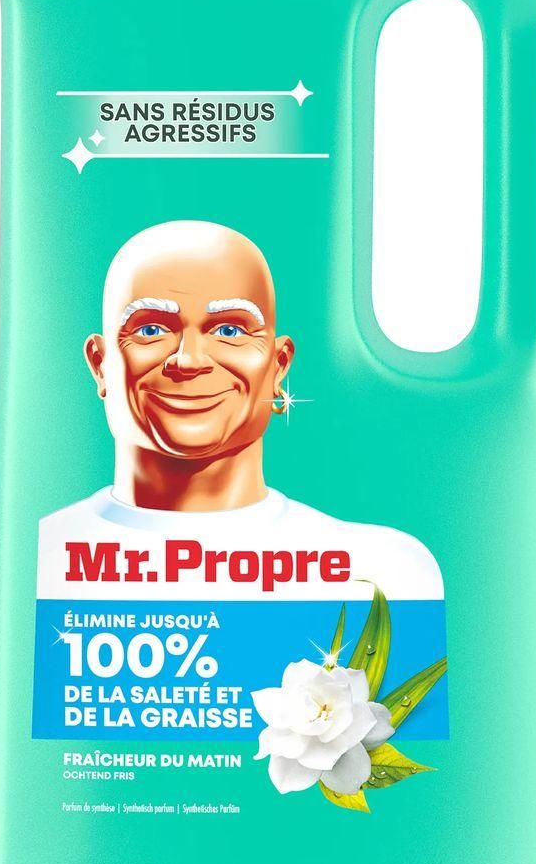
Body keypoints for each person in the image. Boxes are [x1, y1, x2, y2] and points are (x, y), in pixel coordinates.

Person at [37, 220, 442, 599]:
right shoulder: (43, 557)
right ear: (100, 364)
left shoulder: (380, 574)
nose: (189, 360)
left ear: (278, 366)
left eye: (229, 330)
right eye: (150, 329)